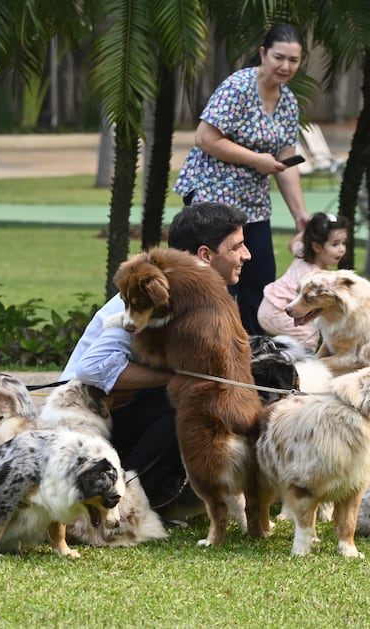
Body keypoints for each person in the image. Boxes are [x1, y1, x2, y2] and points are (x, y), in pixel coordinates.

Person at [59, 202, 251, 512]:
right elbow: (91, 368)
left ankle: (162, 496)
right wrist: (178, 378)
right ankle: (119, 502)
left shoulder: (202, 294)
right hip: (83, 423)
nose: (247, 255)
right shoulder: (150, 294)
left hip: (124, 413)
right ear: (205, 255)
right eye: (237, 246)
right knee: (187, 401)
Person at [173, 23, 310, 335]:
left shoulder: (288, 102)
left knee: (259, 281)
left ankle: (253, 362)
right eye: (279, 57)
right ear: (263, 53)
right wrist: (257, 159)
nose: (285, 66)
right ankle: (207, 352)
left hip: (253, 205)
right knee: (215, 284)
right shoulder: (238, 87)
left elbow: (285, 162)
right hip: (213, 199)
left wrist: (301, 216)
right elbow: (205, 137)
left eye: (294, 60)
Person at [257, 212, 349, 350]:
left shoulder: (302, 252)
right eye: (335, 244)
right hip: (277, 312)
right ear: (317, 247)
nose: (341, 249)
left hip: (269, 306)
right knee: (308, 337)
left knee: (299, 338)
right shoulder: (315, 277)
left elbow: (292, 243)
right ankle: (303, 368)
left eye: (343, 243)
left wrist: (309, 229)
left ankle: (280, 353)